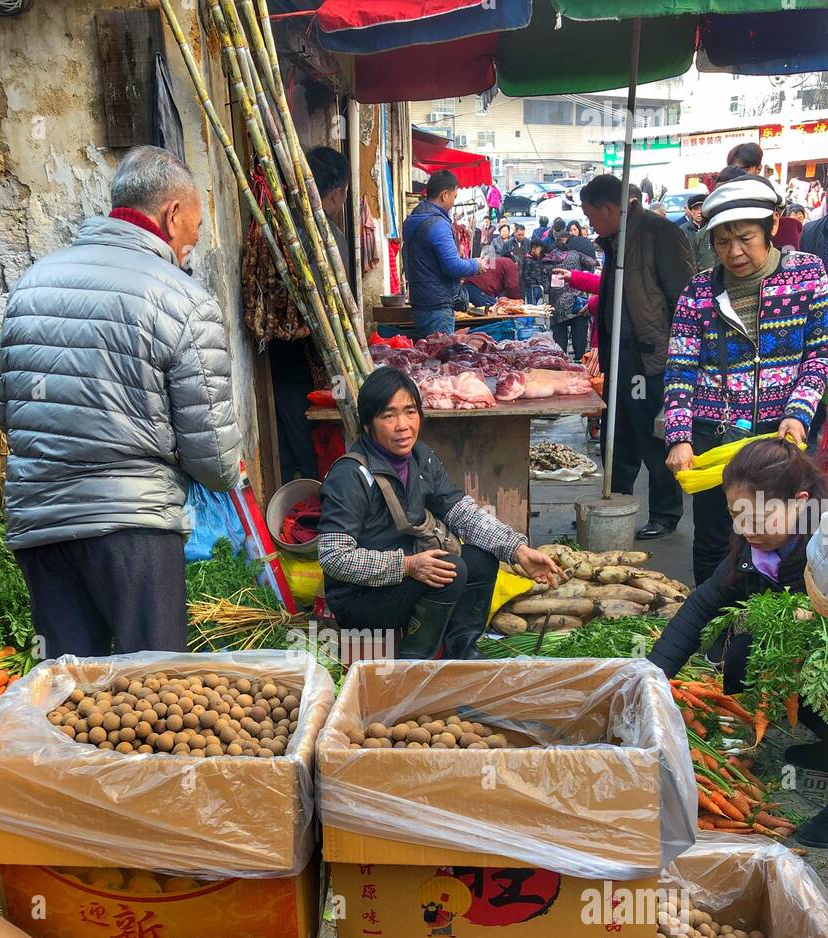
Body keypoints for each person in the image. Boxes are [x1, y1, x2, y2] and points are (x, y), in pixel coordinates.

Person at [0, 146, 241, 658]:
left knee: (71, 698)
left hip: (42, 526)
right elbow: (216, 460)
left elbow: (5, 410)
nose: (188, 250)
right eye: (191, 236)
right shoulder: (183, 299)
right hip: (133, 527)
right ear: (172, 215)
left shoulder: (30, 285)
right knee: (149, 695)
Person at [648, 438, 828, 847]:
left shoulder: (824, 544)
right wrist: (651, 677)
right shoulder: (753, 548)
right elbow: (703, 606)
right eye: (736, 516)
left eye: (758, 518)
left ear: (799, 503)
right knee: (745, 659)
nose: (745, 530)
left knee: (814, 662)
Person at [317, 367, 564, 659]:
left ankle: (462, 651)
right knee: (450, 570)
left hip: (403, 578)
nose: (403, 425)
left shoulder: (420, 458)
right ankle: (413, 665)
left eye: (410, 412)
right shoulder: (349, 475)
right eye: (388, 415)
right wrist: (407, 565)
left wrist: (518, 551)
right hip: (360, 601)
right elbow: (334, 557)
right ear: (369, 424)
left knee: (482, 560)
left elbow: (462, 512)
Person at [663, 174, 828, 585]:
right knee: (716, 539)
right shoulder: (698, 291)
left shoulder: (809, 275)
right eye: (722, 241)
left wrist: (799, 412)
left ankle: (769, 627)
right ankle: (714, 634)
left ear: (772, 225)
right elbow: (681, 368)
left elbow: (819, 355)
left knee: (786, 533)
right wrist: (679, 435)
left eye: (745, 238)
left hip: (781, 436)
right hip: (714, 433)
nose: (734, 252)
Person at [580, 173, 695, 540]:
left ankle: (665, 513)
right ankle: (616, 501)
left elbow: (683, 300)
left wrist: (676, 355)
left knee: (652, 439)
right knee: (619, 436)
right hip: (620, 357)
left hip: (650, 360)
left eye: (591, 216)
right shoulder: (614, 240)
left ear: (610, 209)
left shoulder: (660, 234)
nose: (589, 224)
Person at [267, 146, 351, 483]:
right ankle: (326, 494)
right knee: (331, 431)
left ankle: (301, 495)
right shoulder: (329, 237)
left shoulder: (278, 227)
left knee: (297, 437)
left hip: (284, 356)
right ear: (338, 191)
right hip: (324, 356)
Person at [403, 171, 485, 338]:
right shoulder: (437, 224)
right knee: (441, 358)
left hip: (421, 303)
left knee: (429, 356)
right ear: (444, 195)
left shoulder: (416, 218)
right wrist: (476, 264)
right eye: (454, 197)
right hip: (437, 306)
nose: (454, 202)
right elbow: (452, 266)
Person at [546, 231, 597, 361]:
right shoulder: (576, 254)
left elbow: (544, 282)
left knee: (560, 339)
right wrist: (583, 273)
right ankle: (580, 360)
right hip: (577, 301)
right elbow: (593, 262)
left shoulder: (548, 258)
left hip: (557, 303)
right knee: (579, 337)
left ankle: (561, 363)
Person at [522, 238, 548, 304]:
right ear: (533, 249)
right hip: (532, 287)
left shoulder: (538, 259)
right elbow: (525, 275)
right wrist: (533, 283)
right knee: (532, 305)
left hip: (539, 285)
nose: (540, 252)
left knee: (536, 304)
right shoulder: (528, 260)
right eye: (539, 250)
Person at [507, 223, 528, 295]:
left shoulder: (527, 242)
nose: (521, 237)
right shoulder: (508, 243)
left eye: (523, 235)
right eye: (519, 235)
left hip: (524, 272)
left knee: (522, 294)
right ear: (515, 233)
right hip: (512, 272)